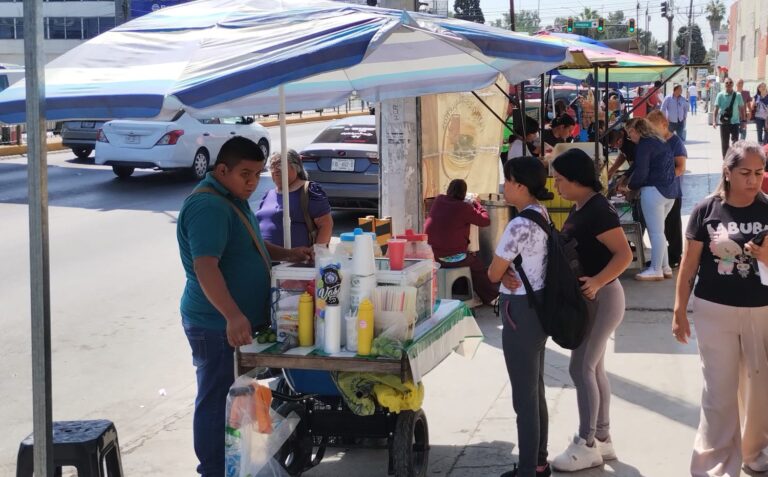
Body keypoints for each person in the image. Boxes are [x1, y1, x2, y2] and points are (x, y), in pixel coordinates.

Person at [177, 136, 312, 477]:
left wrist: (287, 254)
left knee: (234, 399)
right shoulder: (209, 206)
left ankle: (234, 463)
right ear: (221, 170)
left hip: (233, 320)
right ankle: (213, 470)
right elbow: (205, 265)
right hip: (214, 322)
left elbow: (247, 242)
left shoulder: (229, 198)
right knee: (215, 398)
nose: (252, 183)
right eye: (245, 174)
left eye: (257, 175)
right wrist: (232, 315)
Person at [672, 141, 768, 476]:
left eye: (758, 173)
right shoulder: (706, 210)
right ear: (727, 172)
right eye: (745, 173)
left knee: (759, 387)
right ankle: (713, 460)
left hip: (761, 311)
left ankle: (754, 452)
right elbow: (689, 262)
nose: (753, 180)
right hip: (714, 309)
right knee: (719, 388)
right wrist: (678, 309)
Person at [547, 149, 633, 472]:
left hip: (604, 297)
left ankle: (587, 443)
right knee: (593, 369)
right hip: (595, 298)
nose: (556, 186)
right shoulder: (584, 205)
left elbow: (624, 255)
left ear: (576, 179)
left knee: (581, 368)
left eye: (559, 180)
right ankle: (603, 436)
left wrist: (596, 282)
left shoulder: (598, 210)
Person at [488, 156, 553, 477]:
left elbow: (492, 272)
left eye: (508, 180)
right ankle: (539, 461)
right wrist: (504, 273)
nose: (504, 185)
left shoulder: (518, 225)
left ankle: (528, 468)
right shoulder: (540, 213)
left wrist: (501, 274)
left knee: (524, 399)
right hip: (538, 307)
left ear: (521, 186)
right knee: (535, 389)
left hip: (519, 311)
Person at [424, 179, 499, 305]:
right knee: (478, 267)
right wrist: (477, 205)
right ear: (463, 194)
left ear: (448, 190)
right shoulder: (464, 208)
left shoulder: (439, 200)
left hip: (432, 255)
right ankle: (492, 298)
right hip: (452, 257)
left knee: (470, 260)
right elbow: (485, 221)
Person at [622, 118, 676, 281]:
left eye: (630, 132)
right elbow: (639, 165)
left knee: (656, 232)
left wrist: (629, 187)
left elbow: (641, 171)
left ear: (639, 130)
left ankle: (655, 269)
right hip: (669, 192)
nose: (629, 136)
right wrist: (626, 177)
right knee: (660, 231)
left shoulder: (645, 145)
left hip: (654, 191)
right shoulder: (658, 141)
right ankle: (665, 267)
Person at [256, 150, 333, 247]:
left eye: (280, 165)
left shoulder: (309, 191)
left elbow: (325, 225)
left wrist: (318, 254)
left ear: (296, 167)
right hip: (265, 259)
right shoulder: (268, 194)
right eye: (272, 166)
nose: (275, 170)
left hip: (297, 260)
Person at [647, 110, 688, 267]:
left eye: (653, 127)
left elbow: (681, 167)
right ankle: (663, 257)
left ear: (664, 125)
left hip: (671, 191)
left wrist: (667, 180)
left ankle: (675, 256)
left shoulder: (675, 142)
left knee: (672, 225)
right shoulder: (654, 141)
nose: (651, 131)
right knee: (659, 227)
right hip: (657, 190)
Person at [713, 78, 747, 158]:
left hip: (735, 122)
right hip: (724, 123)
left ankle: (734, 158)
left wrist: (743, 121)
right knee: (724, 143)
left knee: (735, 142)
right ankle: (725, 159)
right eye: (727, 83)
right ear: (724, 84)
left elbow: (742, 109)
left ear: (733, 84)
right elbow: (716, 108)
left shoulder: (738, 95)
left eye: (730, 82)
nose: (729, 84)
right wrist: (714, 121)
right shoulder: (720, 95)